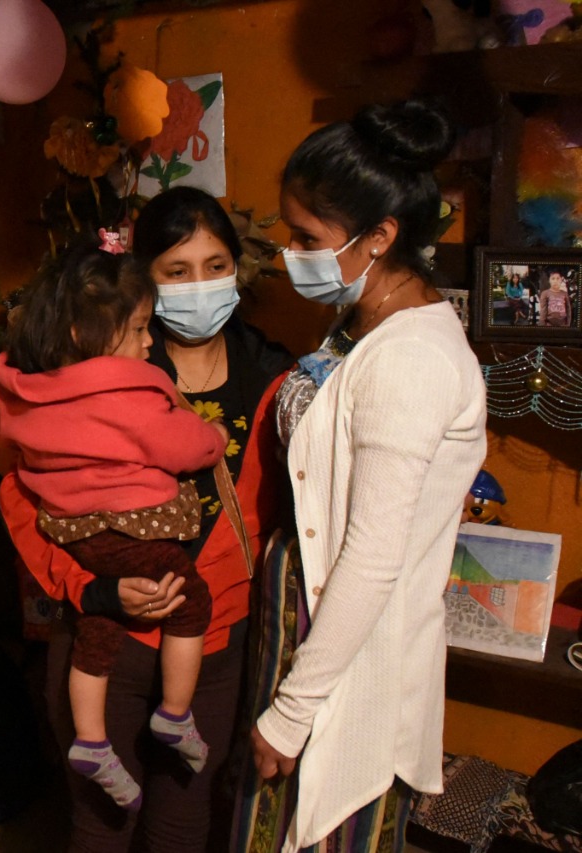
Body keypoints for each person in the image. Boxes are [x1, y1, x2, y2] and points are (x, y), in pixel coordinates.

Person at [0, 185, 293, 852]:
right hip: (106, 637)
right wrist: (90, 588)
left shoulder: (274, 376)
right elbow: (20, 495)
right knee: (100, 822)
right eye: (177, 271)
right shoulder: (98, 367)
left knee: (186, 822)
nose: (201, 286)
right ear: (145, 281)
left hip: (218, 641)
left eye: (216, 266)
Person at [237, 99, 487, 853]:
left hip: (343, 639)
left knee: (323, 823)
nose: (290, 252)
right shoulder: (359, 322)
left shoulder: (409, 361)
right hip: (300, 619)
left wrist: (293, 708)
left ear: (380, 237)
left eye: (308, 237)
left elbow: (374, 555)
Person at [0, 240, 229, 811]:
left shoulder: (19, 394)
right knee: (191, 602)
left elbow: (3, 455)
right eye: (141, 328)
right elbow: (185, 446)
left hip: (74, 539)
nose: (151, 341)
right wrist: (213, 438)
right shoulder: (128, 395)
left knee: (97, 625)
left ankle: (92, 741)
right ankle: (175, 714)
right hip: (138, 535)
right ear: (84, 334)